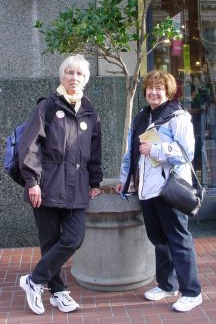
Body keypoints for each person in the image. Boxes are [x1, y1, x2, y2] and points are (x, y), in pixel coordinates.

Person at [18, 54, 103, 315]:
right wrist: (32, 182)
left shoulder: (90, 111)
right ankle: (58, 292)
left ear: (85, 79)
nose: (74, 78)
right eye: (70, 73)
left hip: (77, 186)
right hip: (46, 185)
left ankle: (33, 280)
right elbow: (29, 145)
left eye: (79, 74)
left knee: (73, 238)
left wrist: (95, 181)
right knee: (50, 240)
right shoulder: (46, 106)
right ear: (62, 76)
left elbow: (95, 150)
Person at [116, 71, 202, 312]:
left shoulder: (178, 116)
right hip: (146, 190)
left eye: (159, 88)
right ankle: (166, 285)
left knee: (179, 240)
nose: (153, 92)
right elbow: (130, 153)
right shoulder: (141, 117)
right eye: (150, 88)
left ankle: (192, 291)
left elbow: (187, 154)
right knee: (159, 240)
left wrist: (157, 149)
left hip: (169, 189)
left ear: (169, 92)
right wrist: (125, 181)